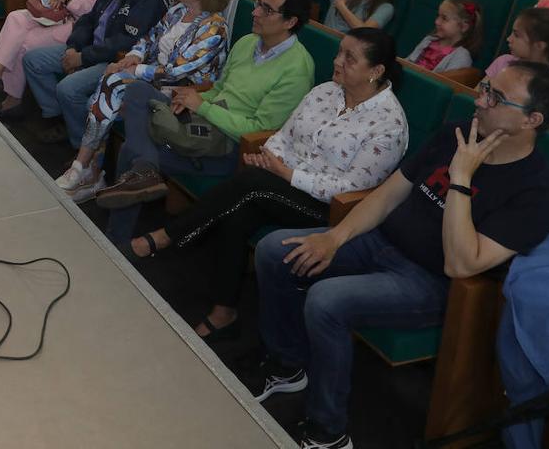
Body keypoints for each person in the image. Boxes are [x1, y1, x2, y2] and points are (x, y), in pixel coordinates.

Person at [250, 61, 549, 449]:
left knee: (326, 300)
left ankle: (327, 430)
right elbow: (389, 195)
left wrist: (462, 178)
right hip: (381, 242)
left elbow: (461, 263)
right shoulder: (456, 132)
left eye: (495, 97)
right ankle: (287, 364)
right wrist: (335, 237)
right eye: (484, 87)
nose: (479, 100)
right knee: (274, 250)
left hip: (430, 281)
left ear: (531, 119)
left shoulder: (538, 191)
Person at [129, 29, 408, 345]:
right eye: (339, 52)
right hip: (280, 182)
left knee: (251, 185)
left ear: (376, 71)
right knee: (241, 211)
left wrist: (287, 174)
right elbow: (284, 135)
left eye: (349, 58)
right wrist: (272, 156)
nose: (337, 61)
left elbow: (353, 188)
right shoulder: (326, 91)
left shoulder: (388, 124)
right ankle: (224, 311)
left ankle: (169, 236)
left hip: (333, 211)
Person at [95, 0, 316, 244]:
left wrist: (203, 106)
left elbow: (258, 130)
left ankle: (117, 235)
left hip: (228, 147)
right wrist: (191, 98)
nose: (255, 13)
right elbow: (220, 89)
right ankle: (145, 171)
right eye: (258, 3)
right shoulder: (248, 42)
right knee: (137, 91)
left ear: (290, 22)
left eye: (267, 10)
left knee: (133, 149)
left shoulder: (297, 69)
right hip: (201, 122)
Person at [55, 0, 231, 202]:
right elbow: (149, 38)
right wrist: (134, 56)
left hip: (182, 93)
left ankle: (84, 168)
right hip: (153, 78)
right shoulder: (179, 11)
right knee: (111, 84)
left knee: (112, 83)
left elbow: (177, 72)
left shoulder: (215, 28)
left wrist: (134, 71)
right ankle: (89, 171)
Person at [20, 0, 172, 146]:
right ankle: (61, 116)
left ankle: (84, 147)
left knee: (68, 89)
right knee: (33, 60)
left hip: (116, 60)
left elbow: (126, 42)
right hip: (92, 47)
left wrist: (83, 58)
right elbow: (91, 17)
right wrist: (73, 47)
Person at [485, 7, 549, 129]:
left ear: (539, 46)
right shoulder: (503, 61)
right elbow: (479, 93)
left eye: (516, 35)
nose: (509, 39)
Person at [406, 0, 482, 73]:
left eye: (444, 18)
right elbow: (407, 63)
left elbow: (446, 83)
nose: (437, 22)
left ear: (463, 27)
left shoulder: (462, 57)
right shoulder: (429, 40)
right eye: (438, 16)